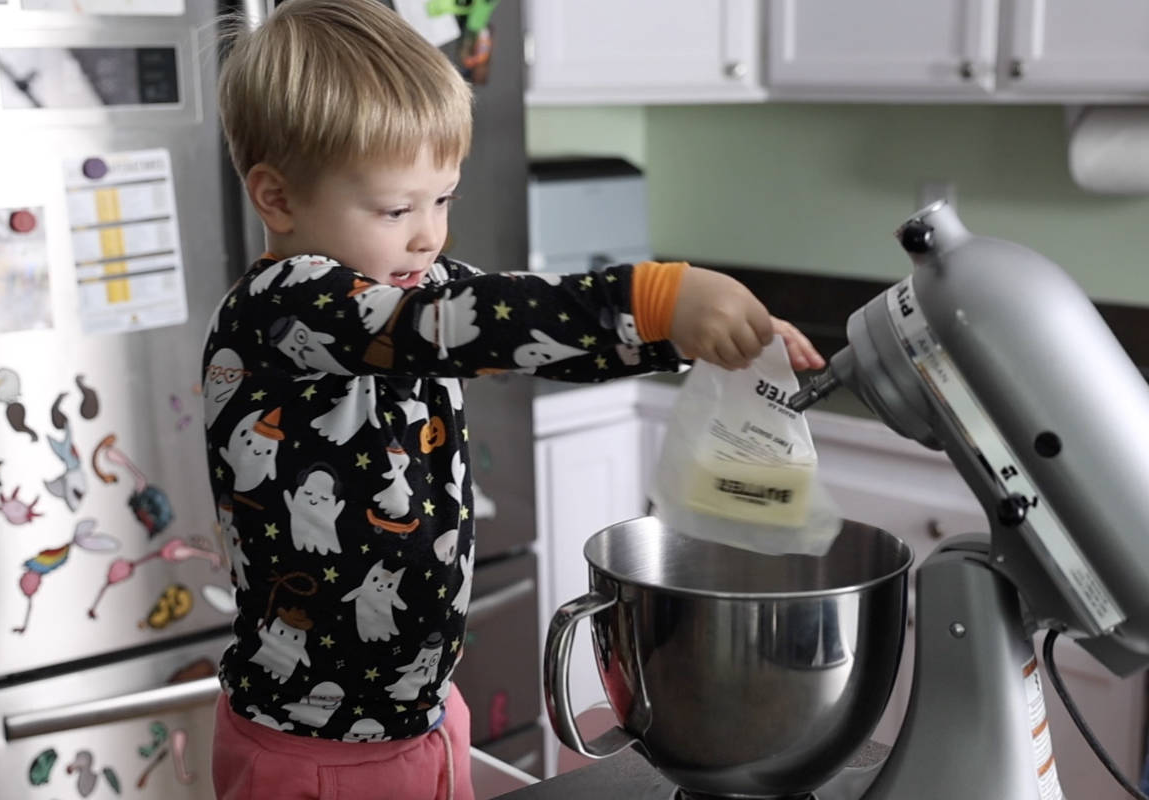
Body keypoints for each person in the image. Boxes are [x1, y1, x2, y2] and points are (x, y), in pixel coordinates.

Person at [202, 1, 825, 798]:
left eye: (443, 199)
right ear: (278, 199)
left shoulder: (415, 283)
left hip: (425, 721)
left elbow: (528, 323)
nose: (430, 236)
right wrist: (660, 295)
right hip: (310, 754)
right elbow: (467, 324)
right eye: (397, 209)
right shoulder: (284, 306)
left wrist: (696, 334)